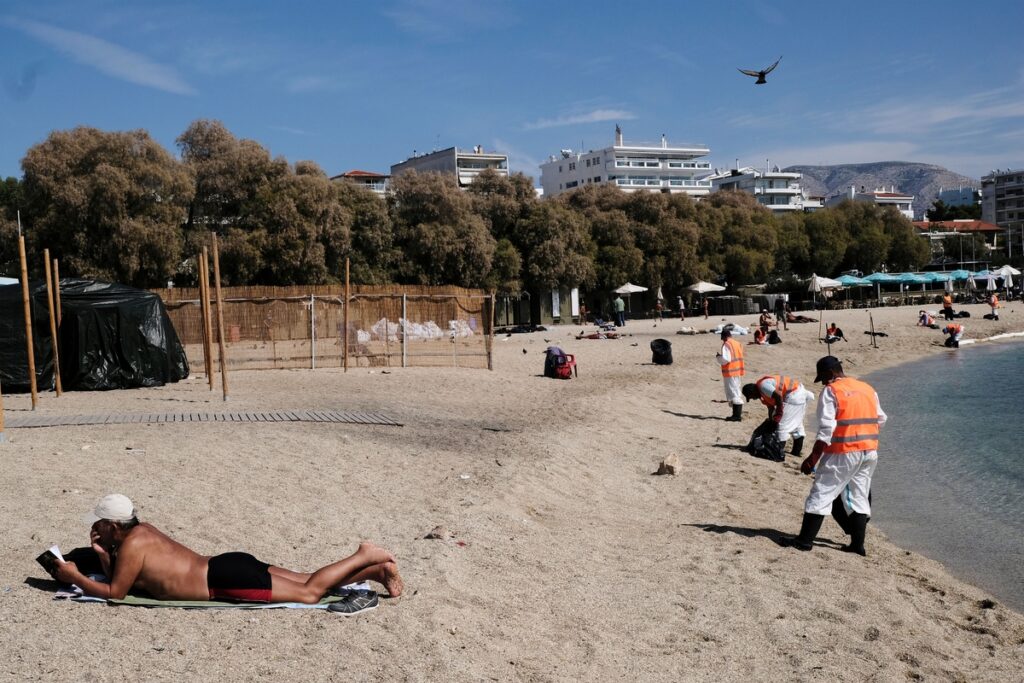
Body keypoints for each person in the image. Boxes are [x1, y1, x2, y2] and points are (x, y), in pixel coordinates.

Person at [52, 494, 404, 603]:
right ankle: (374, 572)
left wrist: (74, 575)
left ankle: (364, 555)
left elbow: (116, 593)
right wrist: (101, 556)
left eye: (99, 524)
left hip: (223, 580)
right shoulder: (143, 532)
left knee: (311, 593)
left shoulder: (130, 546)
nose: (94, 528)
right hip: (227, 563)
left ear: (114, 527)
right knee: (306, 578)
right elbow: (127, 577)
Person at [779, 356, 886, 555]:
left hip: (843, 452)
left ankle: (804, 541)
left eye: (824, 378)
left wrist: (813, 458)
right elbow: (881, 419)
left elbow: (826, 429)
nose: (824, 382)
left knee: (821, 492)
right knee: (859, 496)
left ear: (830, 373)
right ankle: (857, 545)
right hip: (869, 451)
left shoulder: (831, 391)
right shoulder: (867, 388)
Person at [742, 374, 815, 457]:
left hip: (794, 395)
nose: (753, 399)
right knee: (797, 424)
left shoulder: (763, 386)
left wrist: (778, 416)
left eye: (751, 397)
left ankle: (777, 452)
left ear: (753, 391)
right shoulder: (762, 393)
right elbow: (771, 408)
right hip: (798, 393)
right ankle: (796, 452)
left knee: (781, 426)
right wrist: (771, 420)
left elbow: (778, 397)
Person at [716, 327, 745, 421]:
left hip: (730, 371)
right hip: (737, 371)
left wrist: (718, 358)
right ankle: (736, 414)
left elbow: (726, 359)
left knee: (733, 392)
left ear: (724, 337)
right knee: (736, 391)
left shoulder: (727, 344)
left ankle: (736, 416)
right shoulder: (737, 343)